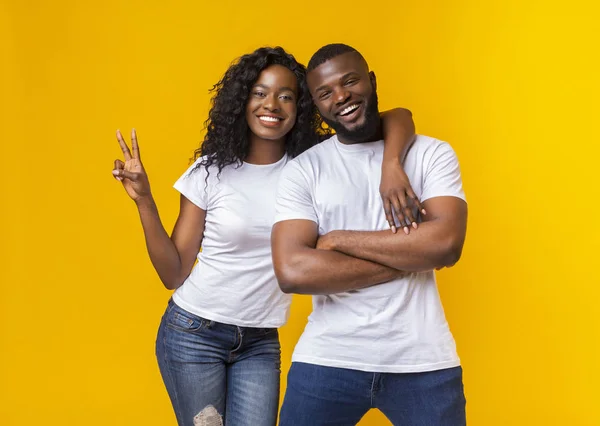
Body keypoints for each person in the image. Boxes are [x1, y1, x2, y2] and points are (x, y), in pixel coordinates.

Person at [112, 46, 421, 426]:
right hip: (194, 334)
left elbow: (398, 117)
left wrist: (392, 164)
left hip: (260, 341)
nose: (271, 104)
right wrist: (144, 200)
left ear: (301, 106)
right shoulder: (210, 171)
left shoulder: (312, 166)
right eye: (259, 93)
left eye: (285, 95)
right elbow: (173, 273)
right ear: (243, 101)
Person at [271, 43, 468, 425]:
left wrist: (338, 240)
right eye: (325, 92)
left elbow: (445, 244)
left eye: (349, 81)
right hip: (328, 360)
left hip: (423, 360)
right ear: (316, 104)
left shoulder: (430, 154)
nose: (341, 96)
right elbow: (293, 272)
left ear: (371, 80)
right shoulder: (304, 171)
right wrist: (411, 254)